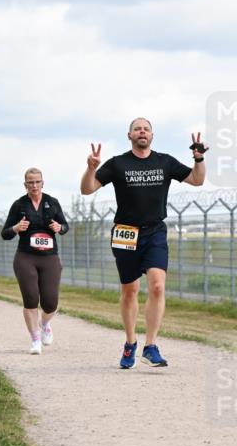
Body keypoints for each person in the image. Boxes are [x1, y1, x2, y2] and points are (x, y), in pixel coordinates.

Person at [81, 118, 207, 368]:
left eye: (146, 129)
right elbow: (87, 189)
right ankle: (130, 343)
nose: (142, 132)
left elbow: (197, 180)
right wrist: (91, 168)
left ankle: (150, 346)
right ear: (129, 135)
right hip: (125, 233)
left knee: (157, 286)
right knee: (130, 291)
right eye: (137, 129)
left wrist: (199, 158)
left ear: (152, 135)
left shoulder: (165, 162)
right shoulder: (118, 163)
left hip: (155, 232)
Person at [1, 168, 69, 354]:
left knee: (50, 303)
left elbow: (65, 226)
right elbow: (5, 233)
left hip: (49, 257)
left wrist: (60, 227)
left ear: (42, 183)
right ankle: (35, 339)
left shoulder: (52, 202)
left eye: (37, 182)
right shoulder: (19, 205)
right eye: (30, 182)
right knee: (30, 299)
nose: (34, 185)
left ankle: (45, 324)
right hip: (26, 257)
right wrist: (16, 228)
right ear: (25, 185)